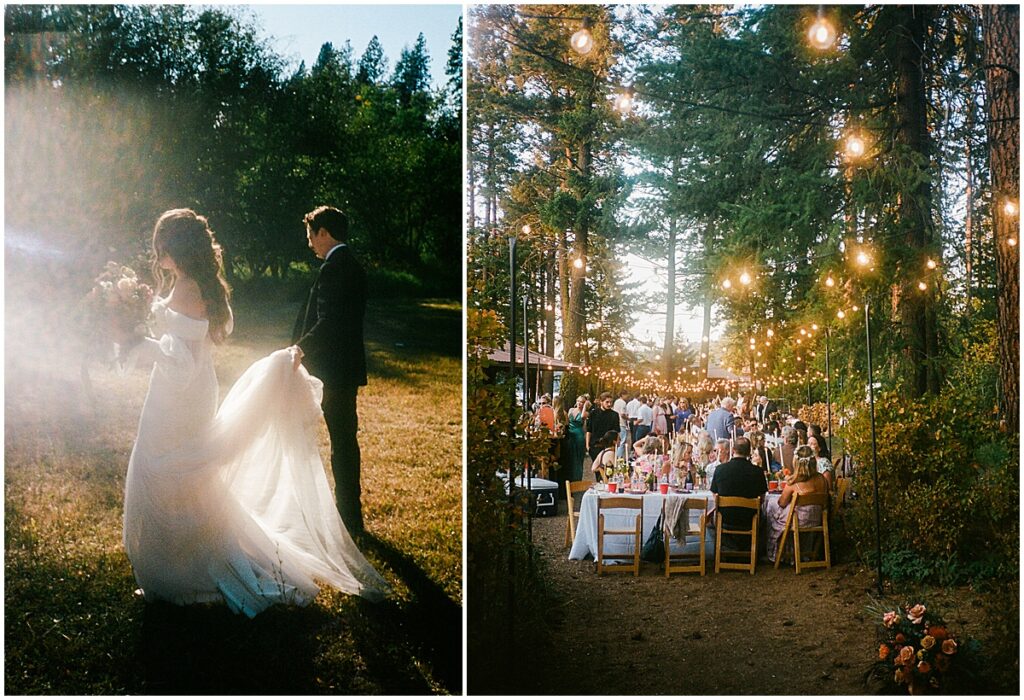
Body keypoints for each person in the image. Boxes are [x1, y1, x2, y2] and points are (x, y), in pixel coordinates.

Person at [123, 208, 387, 617]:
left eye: (162, 244)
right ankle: (176, 562)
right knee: (182, 473)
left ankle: (185, 569)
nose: (156, 252)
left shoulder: (192, 288)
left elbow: (183, 361)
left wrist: (140, 342)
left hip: (187, 392)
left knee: (172, 470)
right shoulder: (193, 285)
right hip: (186, 391)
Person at [290, 205, 368, 537]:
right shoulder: (351, 265)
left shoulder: (336, 268)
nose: (310, 244)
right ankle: (349, 513)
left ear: (324, 233)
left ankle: (347, 515)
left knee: (341, 442)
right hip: (343, 368)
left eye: (311, 236)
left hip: (331, 370)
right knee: (345, 440)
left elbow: (330, 321)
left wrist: (300, 348)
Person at [765, 445, 829, 562]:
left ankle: (778, 552)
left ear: (796, 463)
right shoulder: (822, 480)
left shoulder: (793, 483)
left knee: (771, 507)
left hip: (798, 521)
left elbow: (782, 503)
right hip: (817, 520)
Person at [709, 437, 768, 548]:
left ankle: (724, 549)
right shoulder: (758, 472)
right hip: (749, 518)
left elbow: (715, 496)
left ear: (733, 449)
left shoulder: (720, 469)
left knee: (708, 522)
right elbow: (762, 498)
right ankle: (752, 551)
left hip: (725, 518)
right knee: (766, 519)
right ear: (749, 452)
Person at [585, 392, 619, 463]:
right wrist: (587, 446)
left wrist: (616, 445)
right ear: (601, 402)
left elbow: (617, 431)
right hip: (595, 445)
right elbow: (589, 430)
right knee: (598, 469)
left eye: (611, 402)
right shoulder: (593, 414)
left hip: (609, 446)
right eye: (607, 402)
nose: (609, 404)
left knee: (609, 469)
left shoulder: (614, 415)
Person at [563, 395, 588, 481]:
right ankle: (569, 476)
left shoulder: (585, 412)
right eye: (578, 401)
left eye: (582, 402)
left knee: (578, 457)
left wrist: (585, 406)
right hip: (570, 433)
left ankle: (577, 478)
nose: (579, 403)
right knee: (570, 455)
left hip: (578, 434)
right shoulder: (571, 410)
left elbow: (582, 417)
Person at [612, 390, 631, 460]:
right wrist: (628, 418)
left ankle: (616, 456)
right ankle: (619, 457)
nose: (627, 397)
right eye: (626, 395)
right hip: (622, 423)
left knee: (617, 440)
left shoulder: (616, 402)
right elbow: (622, 414)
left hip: (616, 422)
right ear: (622, 395)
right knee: (622, 441)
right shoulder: (623, 403)